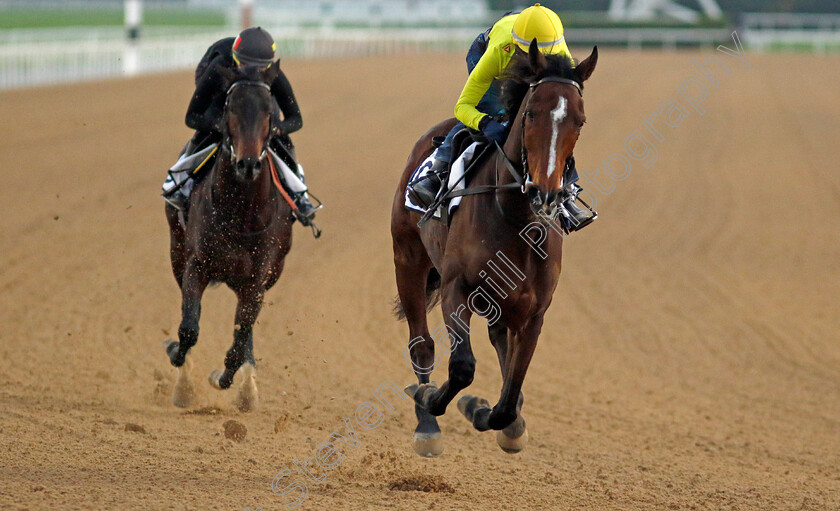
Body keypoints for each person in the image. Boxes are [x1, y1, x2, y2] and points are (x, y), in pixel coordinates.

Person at [408, 4, 595, 230]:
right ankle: (437, 172)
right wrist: (485, 123)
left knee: (553, 125)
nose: (540, 59)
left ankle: (567, 192)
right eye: (533, 54)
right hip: (491, 58)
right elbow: (463, 106)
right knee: (494, 113)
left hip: (531, 60)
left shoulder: (558, 53)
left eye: (546, 55)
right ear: (519, 47)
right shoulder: (499, 51)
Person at [162, 27, 320, 226]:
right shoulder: (218, 67)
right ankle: (179, 184)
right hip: (222, 95)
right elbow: (192, 117)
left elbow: (296, 118)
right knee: (207, 134)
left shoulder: (274, 75)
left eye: (260, 69)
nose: (252, 72)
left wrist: (276, 129)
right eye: (244, 65)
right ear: (235, 59)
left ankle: (299, 196)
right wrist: (220, 126)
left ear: (268, 67)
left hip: (259, 99)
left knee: (280, 141)